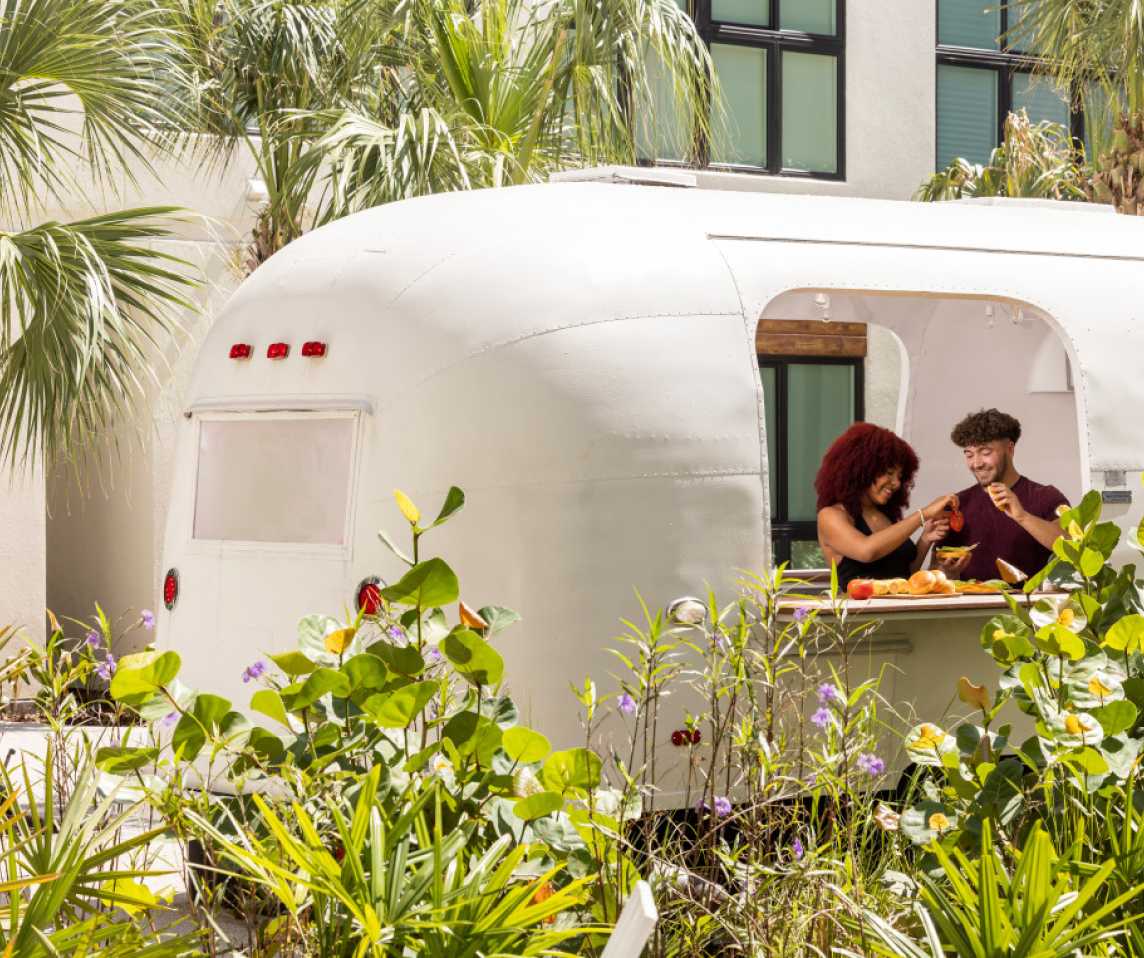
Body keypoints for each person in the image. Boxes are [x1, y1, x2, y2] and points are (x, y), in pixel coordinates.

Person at [815, 423, 959, 588]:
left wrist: (925, 539)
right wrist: (923, 514)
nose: (896, 483)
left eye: (899, 476)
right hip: (863, 613)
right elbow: (867, 551)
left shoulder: (884, 514)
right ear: (862, 469)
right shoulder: (830, 515)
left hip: (900, 612)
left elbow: (905, 575)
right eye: (889, 473)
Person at [934, 408, 1067, 582]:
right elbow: (935, 569)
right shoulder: (957, 505)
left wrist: (1022, 516)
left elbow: (1071, 546)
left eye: (985, 452)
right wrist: (948, 573)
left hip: (1027, 606)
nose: (976, 463)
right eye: (969, 454)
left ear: (1010, 449)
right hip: (968, 606)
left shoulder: (1046, 496)